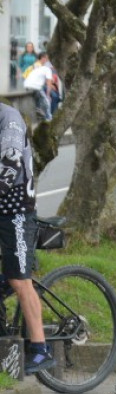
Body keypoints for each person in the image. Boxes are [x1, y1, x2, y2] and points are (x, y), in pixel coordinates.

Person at [0, 103, 55, 375]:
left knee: (19, 280)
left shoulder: (8, 117)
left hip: (16, 209)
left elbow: (9, 164)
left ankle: (40, 349)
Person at [23, 52, 54, 122]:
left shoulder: (35, 65)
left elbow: (26, 75)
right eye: (47, 59)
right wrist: (48, 95)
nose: (48, 60)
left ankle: (39, 111)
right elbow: (48, 82)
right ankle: (49, 119)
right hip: (34, 86)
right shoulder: (40, 66)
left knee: (39, 99)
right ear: (43, 58)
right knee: (47, 101)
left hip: (28, 85)